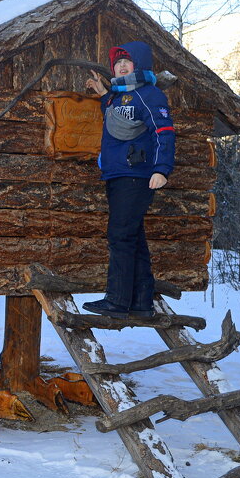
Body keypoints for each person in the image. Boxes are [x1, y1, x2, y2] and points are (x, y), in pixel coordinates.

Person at [81, 40, 174, 317]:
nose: (121, 65)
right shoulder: (119, 96)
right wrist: (101, 94)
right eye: (118, 62)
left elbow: (164, 132)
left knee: (120, 235)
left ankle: (118, 301)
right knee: (133, 237)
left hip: (136, 175)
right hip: (117, 175)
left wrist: (161, 170)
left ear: (140, 65)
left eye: (127, 61)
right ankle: (141, 303)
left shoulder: (150, 94)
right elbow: (117, 120)